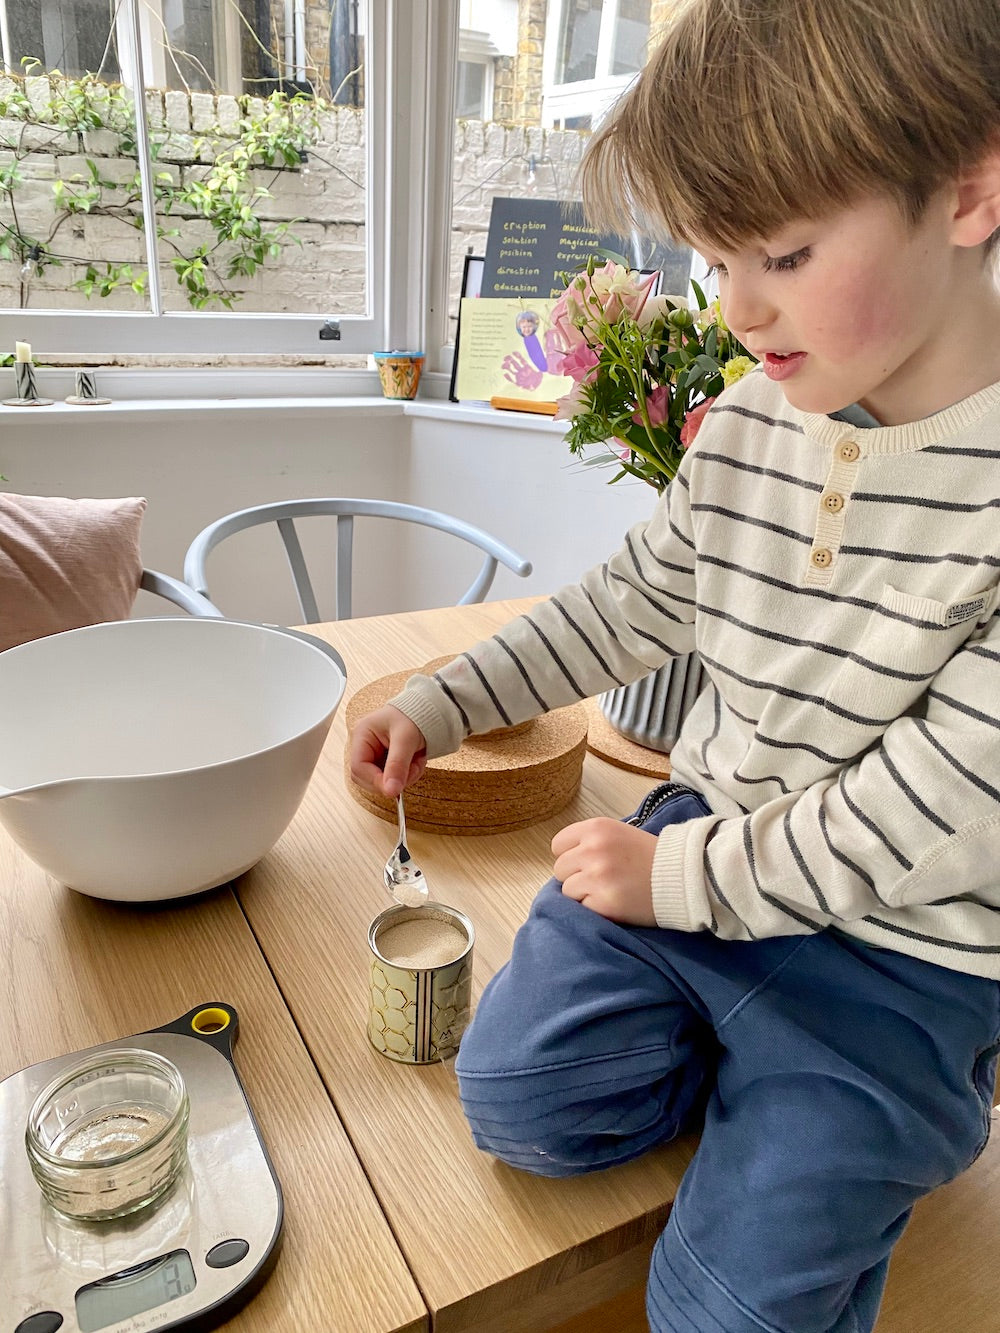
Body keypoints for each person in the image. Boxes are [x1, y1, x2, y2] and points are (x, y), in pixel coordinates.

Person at [350, 2, 1000, 1328]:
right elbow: (633, 598)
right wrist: (445, 699)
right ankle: (748, 1084)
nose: (739, 307)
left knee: (725, 1311)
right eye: (715, 258)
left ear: (973, 190)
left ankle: (827, 1128)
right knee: (516, 1097)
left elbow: (936, 807)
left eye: (783, 253)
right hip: (700, 857)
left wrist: (674, 880)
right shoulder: (757, 419)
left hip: (904, 965)